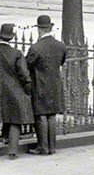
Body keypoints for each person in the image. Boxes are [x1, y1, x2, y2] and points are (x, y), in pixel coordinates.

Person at [0, 23, 34, 156]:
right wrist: (27, 88)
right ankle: (12, 151)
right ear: (12, 37)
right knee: (15, 118)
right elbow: (24, 74)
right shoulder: (16, 53)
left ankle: (4, 138)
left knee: (2, 114)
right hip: (14, 88)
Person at [25, 14, 69, 156]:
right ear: (50, 28)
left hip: (40, 84)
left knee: (41, 115)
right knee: (51, 115)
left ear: (39, 30)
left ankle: (42, 147)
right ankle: (52, 147)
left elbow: (27, 66)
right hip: (55, 85)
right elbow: (61, 62)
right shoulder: (60, 46)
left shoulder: (35, 48)